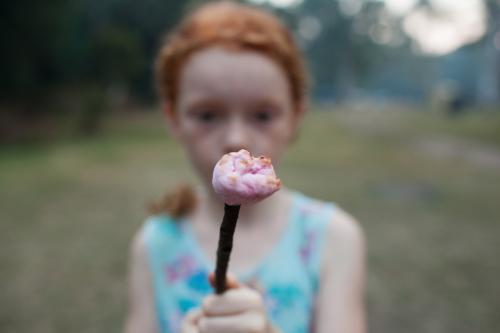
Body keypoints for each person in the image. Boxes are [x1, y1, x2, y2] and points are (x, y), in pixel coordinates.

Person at [125, 1, 366, 332]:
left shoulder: (334, 239)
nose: (236, 139)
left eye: (263, 115)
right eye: (208, 115)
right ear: (174, 119)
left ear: (296, 117)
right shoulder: (154, 244)